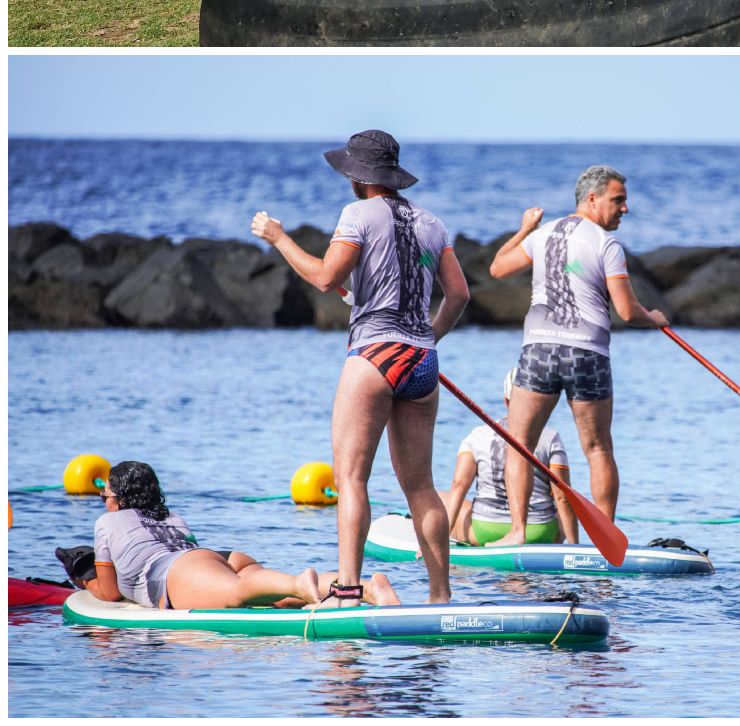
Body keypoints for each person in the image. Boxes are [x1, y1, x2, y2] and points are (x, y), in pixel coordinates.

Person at [251, 129, 469, 605]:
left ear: (358, 176)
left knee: (351, 478)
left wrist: (279, 238)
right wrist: (428, 338)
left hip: (373, 355)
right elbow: (458, 295)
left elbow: (325, 277)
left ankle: (348, 589)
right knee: (422, 487)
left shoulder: (357, 214)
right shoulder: (433, 223)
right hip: (422, 361)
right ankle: (440, 596)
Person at [486, 166, 667, 546]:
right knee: (598, 448)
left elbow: (497, 268)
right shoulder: (606, 244)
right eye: (618, 200)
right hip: (587, 354)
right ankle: (607, 538)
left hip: (539, 350)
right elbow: (628, 311)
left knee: (520, 444)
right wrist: (653, 318)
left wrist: (524, 229)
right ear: (592, 198)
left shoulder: (542, 234)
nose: (625, 208)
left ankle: (517, 532)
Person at [80, 460, 399, 610]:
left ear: (119, 498)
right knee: (276, 596)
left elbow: (110, 592)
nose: (103, 501)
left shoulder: (107, 522)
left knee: (241, 591)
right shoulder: (171, 516)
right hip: (216, 559)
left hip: (177, 573)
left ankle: (298, 584)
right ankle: (368, 588)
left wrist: (84, 581)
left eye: (104, 495)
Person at [440, 369, 578, 546]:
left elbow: (459, 485)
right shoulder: (551, 438)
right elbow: (562, 498)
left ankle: (441, 537)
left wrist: (443, 536)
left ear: (506, 400)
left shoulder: (477, 436)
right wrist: (574, 547)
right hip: (540, 532)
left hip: (486, 530)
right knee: (564, 510)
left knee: (441, 497)